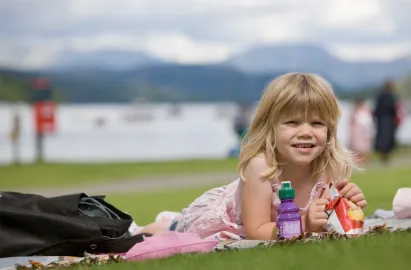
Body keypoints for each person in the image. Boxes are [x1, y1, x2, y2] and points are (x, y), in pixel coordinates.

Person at [137, 73, 366, 241]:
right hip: (223, 222)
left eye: (317, 123)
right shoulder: (261, 167)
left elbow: (329, 220)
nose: (306, 131)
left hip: (274, 227)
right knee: (169, 233)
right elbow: (255, 231)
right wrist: (304, 225)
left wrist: (348, 206)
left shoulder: (331, 167)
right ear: (270, 127)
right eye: (292, 122)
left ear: (330, 129)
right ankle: (152, 226)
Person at [373, 81, 399, 163]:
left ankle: (384, 154)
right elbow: (394, 109)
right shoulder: (391, 97)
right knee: (387, 138)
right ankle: (385, 154)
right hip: (388, 120)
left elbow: (377, 110)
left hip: (382, 120)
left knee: (383, 137)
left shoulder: (380, 96)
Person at [348, 98, 373, 166]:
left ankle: (363, 160)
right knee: (356, 146)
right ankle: (358, 160)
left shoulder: (365, 110)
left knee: (363, 147)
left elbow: (368, 122)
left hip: (363, 131)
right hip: (357, 131)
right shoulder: (354, 111)